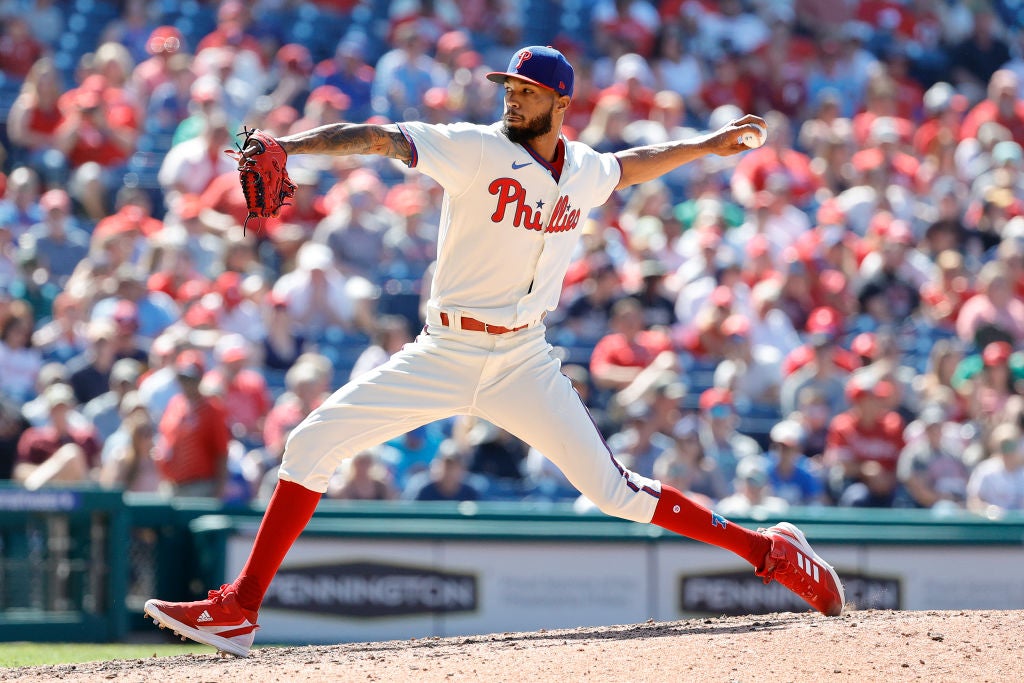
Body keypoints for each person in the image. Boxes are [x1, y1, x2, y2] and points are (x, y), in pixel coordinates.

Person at [143, 45, 844, 658]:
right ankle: (240, 608)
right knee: (311, 442)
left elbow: (628, 166)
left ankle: (770, 550)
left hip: (523, 361)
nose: (511, 98)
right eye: (507, 87)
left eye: (526, 90)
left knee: (614, 492)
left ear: (560, 102)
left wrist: (704, 146)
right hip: (443, 349)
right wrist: (290, 148)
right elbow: (380, 138)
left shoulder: (581, 169)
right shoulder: (476, 147)